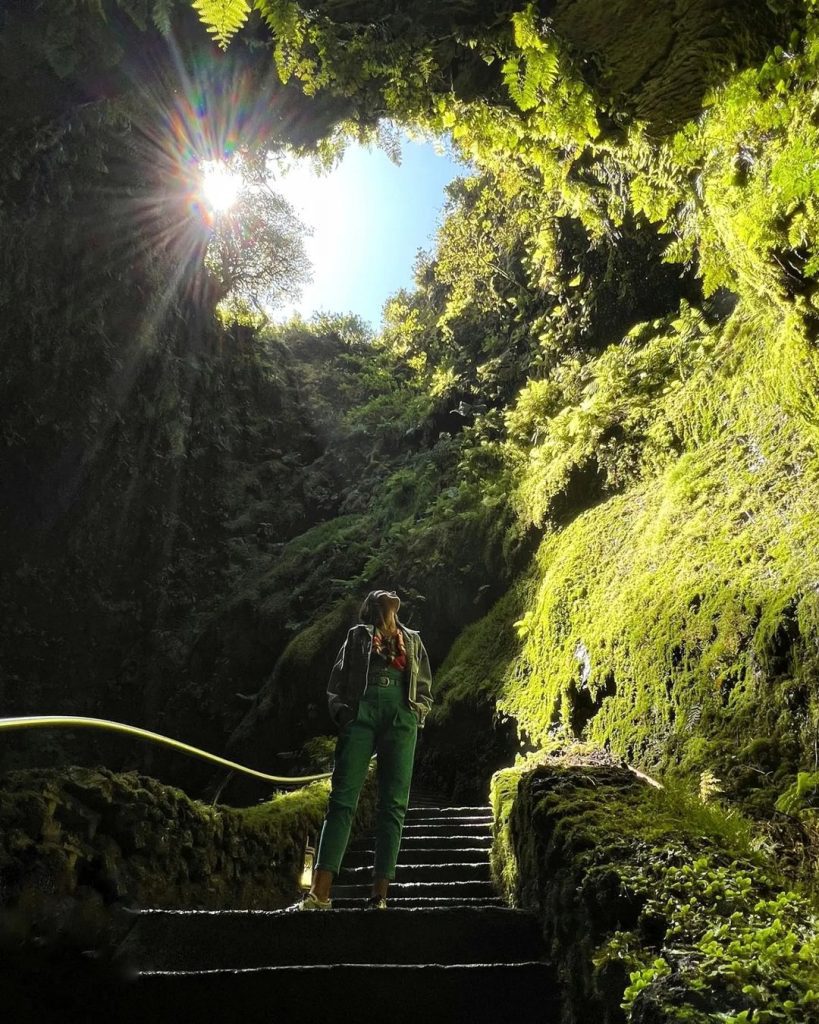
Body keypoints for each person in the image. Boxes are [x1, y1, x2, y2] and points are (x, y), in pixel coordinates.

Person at [296, 589, 433, 910]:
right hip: (362, 713)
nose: (391, 593)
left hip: (401, 713)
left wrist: (416, 713)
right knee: (342, 798)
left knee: (394, 804)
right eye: (382, 594)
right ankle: (320, 893)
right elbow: (337, 681)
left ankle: (379, 896)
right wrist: (344, 713)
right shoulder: (358, 636)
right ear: (372, 605)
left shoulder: (412, 639)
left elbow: (425, 685)